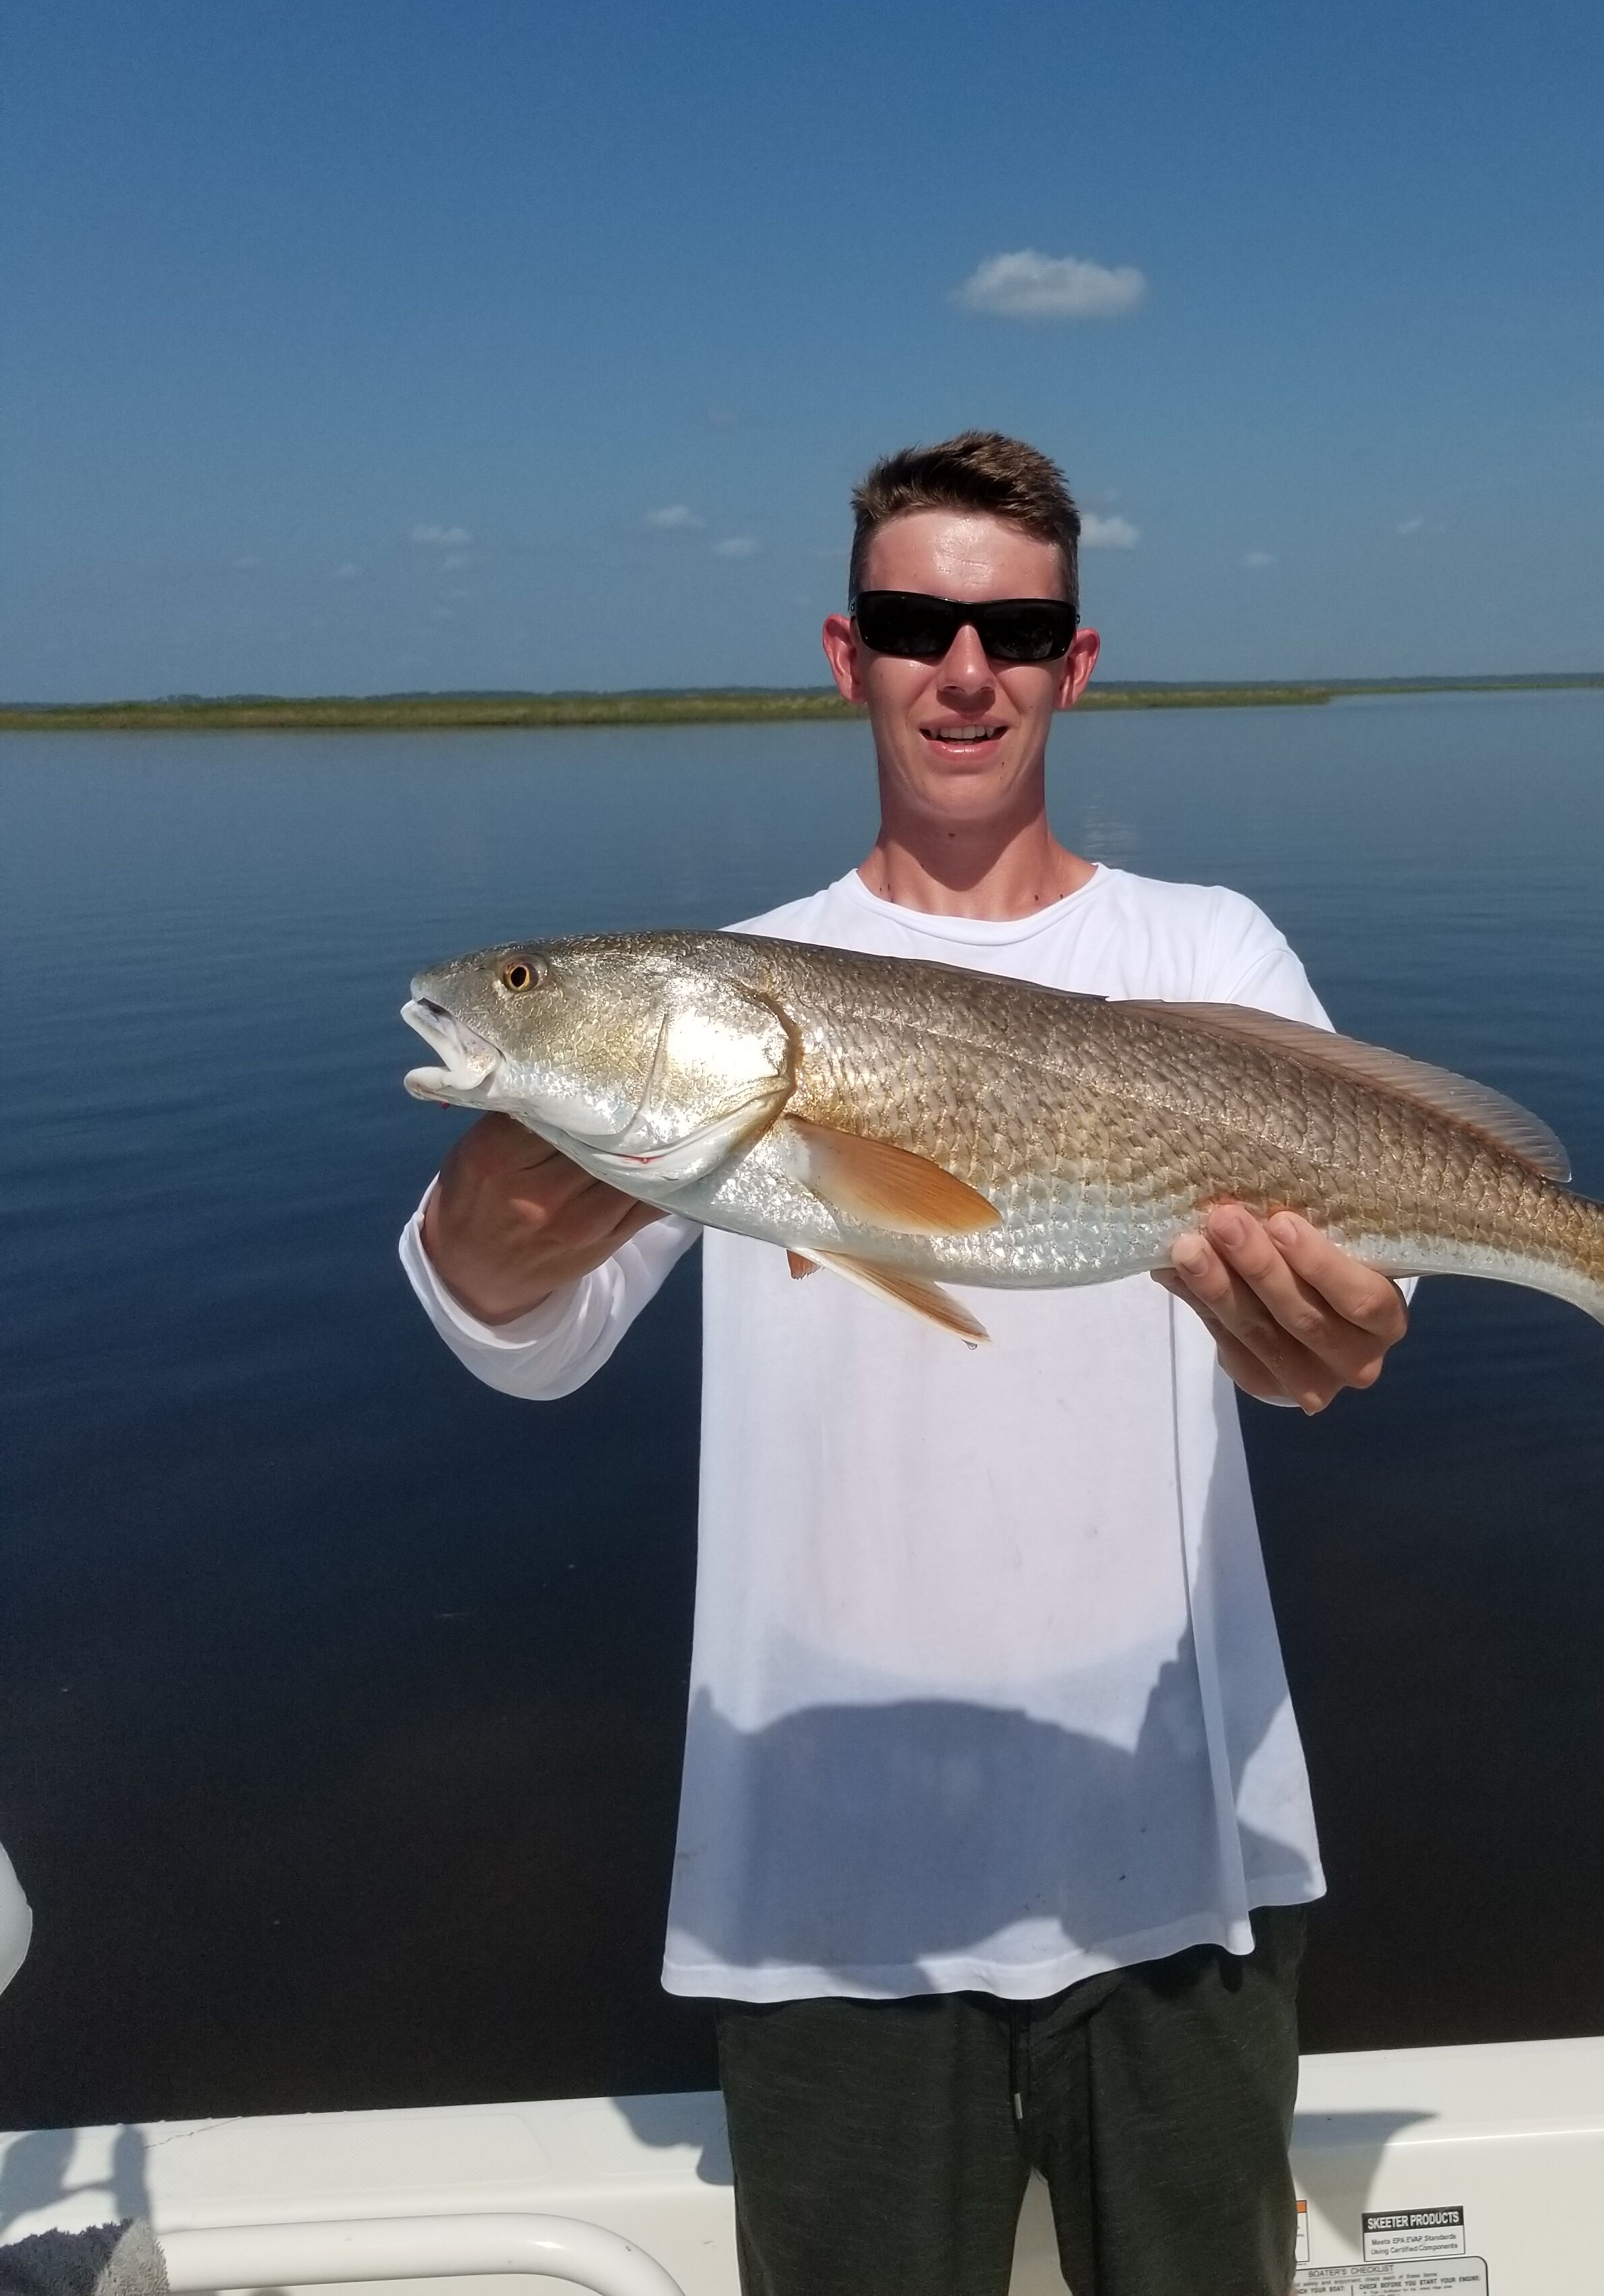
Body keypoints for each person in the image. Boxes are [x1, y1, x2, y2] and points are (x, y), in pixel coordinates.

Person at [400, 432, 1409, 2296]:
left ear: (1077, 661)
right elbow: (518, 1339)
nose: (965, 669)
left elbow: (1331, 1338)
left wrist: (1327, 1343)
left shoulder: (1209, 950)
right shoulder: (732, 1003)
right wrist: (486, 1225)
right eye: (912, 620)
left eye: (1013, 631)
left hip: (1179, 1856)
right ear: (844, 651)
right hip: (823, 1897)